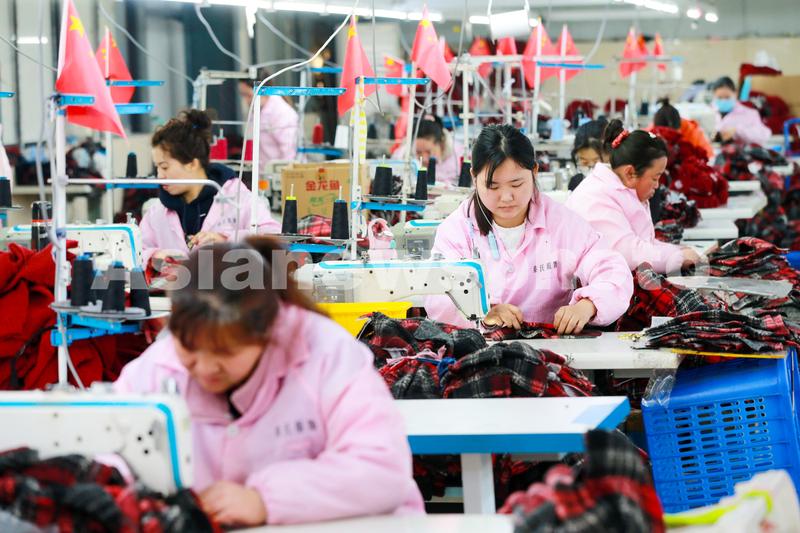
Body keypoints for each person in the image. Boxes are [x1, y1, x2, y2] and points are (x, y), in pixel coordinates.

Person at [114, 237, 425, 527]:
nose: (205, 367)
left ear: (267, 333)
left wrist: (266, 499)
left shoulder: (325, 354)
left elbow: (382, 469)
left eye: (225, 352)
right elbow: (110, 451)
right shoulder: (156, 369)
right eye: (189, 349)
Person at [424, 124, 633, 333]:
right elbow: (437, 296)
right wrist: (482, 312)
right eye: (492, 186)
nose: (506, 197)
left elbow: (612, 271)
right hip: (480, 345)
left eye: (516, 184)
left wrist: (588, 305)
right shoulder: (457, 230)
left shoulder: (561, 223)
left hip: (553, 346)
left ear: (534, 172)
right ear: (474, 177)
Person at [140, 109, 280, 269]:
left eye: (165, 167)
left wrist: (225, 240)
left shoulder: (236, 198)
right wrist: (155, 257)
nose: (160, 175)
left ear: (192, 164)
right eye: (157, 167)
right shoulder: (158, 212)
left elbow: (273, 236)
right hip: (178, 285)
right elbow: (137, 251)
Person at [565, 119, 702, 274]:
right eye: (655, 178)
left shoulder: (620, 191)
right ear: (630, 173)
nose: (657, 185)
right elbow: (628, 253)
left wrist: (679, 250)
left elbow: (643, 243)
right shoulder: (595, 197)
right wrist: (677, 257)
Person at [238, 69, 300, 165]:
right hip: (263, 170)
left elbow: (289, 153)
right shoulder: (257, 110)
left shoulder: (282, 112)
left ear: (263, 91)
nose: (245, 101)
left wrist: (279, 173)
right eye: (243, 95)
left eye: (248, 95)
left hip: (279, 171)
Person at [391, 116, 464, 187]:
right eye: (418, 152)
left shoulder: (460, 156)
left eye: (429, 152)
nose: (424, 159)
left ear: (441, 144)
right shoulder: (402, 156)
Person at [710, 76, 771, 146]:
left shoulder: (750, 113)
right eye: (719, 98)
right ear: (714, 96)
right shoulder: (707, 112)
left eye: (727, 97)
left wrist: (737, 131)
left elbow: (764, 135)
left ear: (736, 93)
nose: (723, 101)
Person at [569, 118, 608, 191]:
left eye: (596, 163)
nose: (591, 170)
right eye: (584, 162)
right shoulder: (576, 184)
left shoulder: (619, 186)